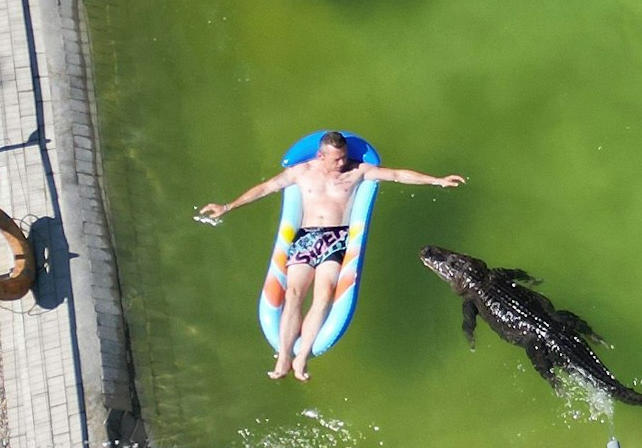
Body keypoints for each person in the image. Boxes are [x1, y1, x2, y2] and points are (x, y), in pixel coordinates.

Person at [199, 131, 465, 381]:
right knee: (293, 294)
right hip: (306, 237)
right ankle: (282, 358)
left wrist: (437, 180)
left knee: (324, 293)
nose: (343, 162)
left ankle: (301, 358)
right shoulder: (301, 173)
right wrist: (227, 206)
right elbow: (266, 188)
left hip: (336, 238)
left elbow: (396, 174)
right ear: (320, 156)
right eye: (336, 158)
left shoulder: (357, 172)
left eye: (345, 156)